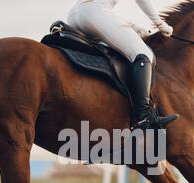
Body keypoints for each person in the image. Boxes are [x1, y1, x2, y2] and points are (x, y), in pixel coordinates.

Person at [67, 0, 178, 130]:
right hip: (94, 12)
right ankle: (144, 116)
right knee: (143, 53)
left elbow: (105, 10)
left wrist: (133, 27)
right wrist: (159, 23)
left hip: (75, 15)